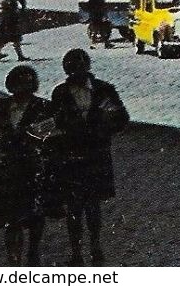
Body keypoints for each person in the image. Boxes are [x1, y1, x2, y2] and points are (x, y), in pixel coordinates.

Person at [51, 48, 128, 265]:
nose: (75, 73)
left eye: (79, 69)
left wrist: (103, 131)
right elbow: (55, 122)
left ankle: (95, 245)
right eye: (72, 70)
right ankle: (76, 250)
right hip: (72, 155)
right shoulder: (60, 93)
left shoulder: (104, 90)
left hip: (96, 152)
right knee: (74, 206)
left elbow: (121, 118)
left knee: (93, 204)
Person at [0, 65, 52, 266]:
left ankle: (33, 253)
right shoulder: (1, 108)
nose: (21, 90)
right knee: (11, 219)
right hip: (9, 170)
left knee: (35, 215)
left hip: (34, 168)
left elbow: (52, 137)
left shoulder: (43, 107)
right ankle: (14, 259)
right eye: (18, 85)